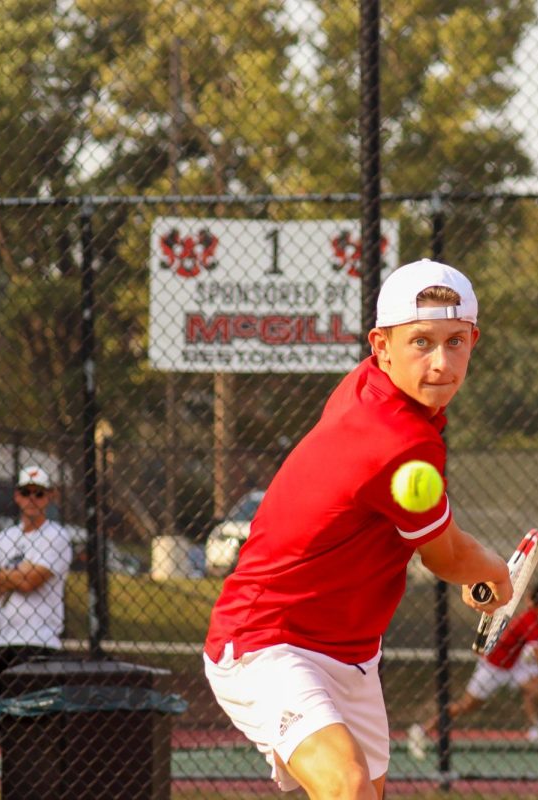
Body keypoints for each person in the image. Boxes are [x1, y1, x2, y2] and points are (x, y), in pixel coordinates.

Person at [202, 259, 513, 800]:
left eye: (456, 341)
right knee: (348, 788)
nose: (441, 363)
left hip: (352, 653)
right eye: (421, 342)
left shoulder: (368, 384)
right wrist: (496, 575)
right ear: (382, 344)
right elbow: (446, 558)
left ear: (474, 340)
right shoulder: (399, 440)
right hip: (268, 639)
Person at [0, 465, 73, 800]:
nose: (31, 498)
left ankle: (32, 791)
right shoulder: (5, 537)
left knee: (32, 723)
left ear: (49, 497)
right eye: (25, 492)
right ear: (16, 496)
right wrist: (14, 575)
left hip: (38, 641)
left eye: (38, 493)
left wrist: (2, 575)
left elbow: (32, 580)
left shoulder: (57, 536)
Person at [406, 582, 538, 759]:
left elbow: (535, 654)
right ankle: (420, 731)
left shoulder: (533, 620)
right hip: (493, 667)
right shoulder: (530, 622)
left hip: (513, 666)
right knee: (466, 706)